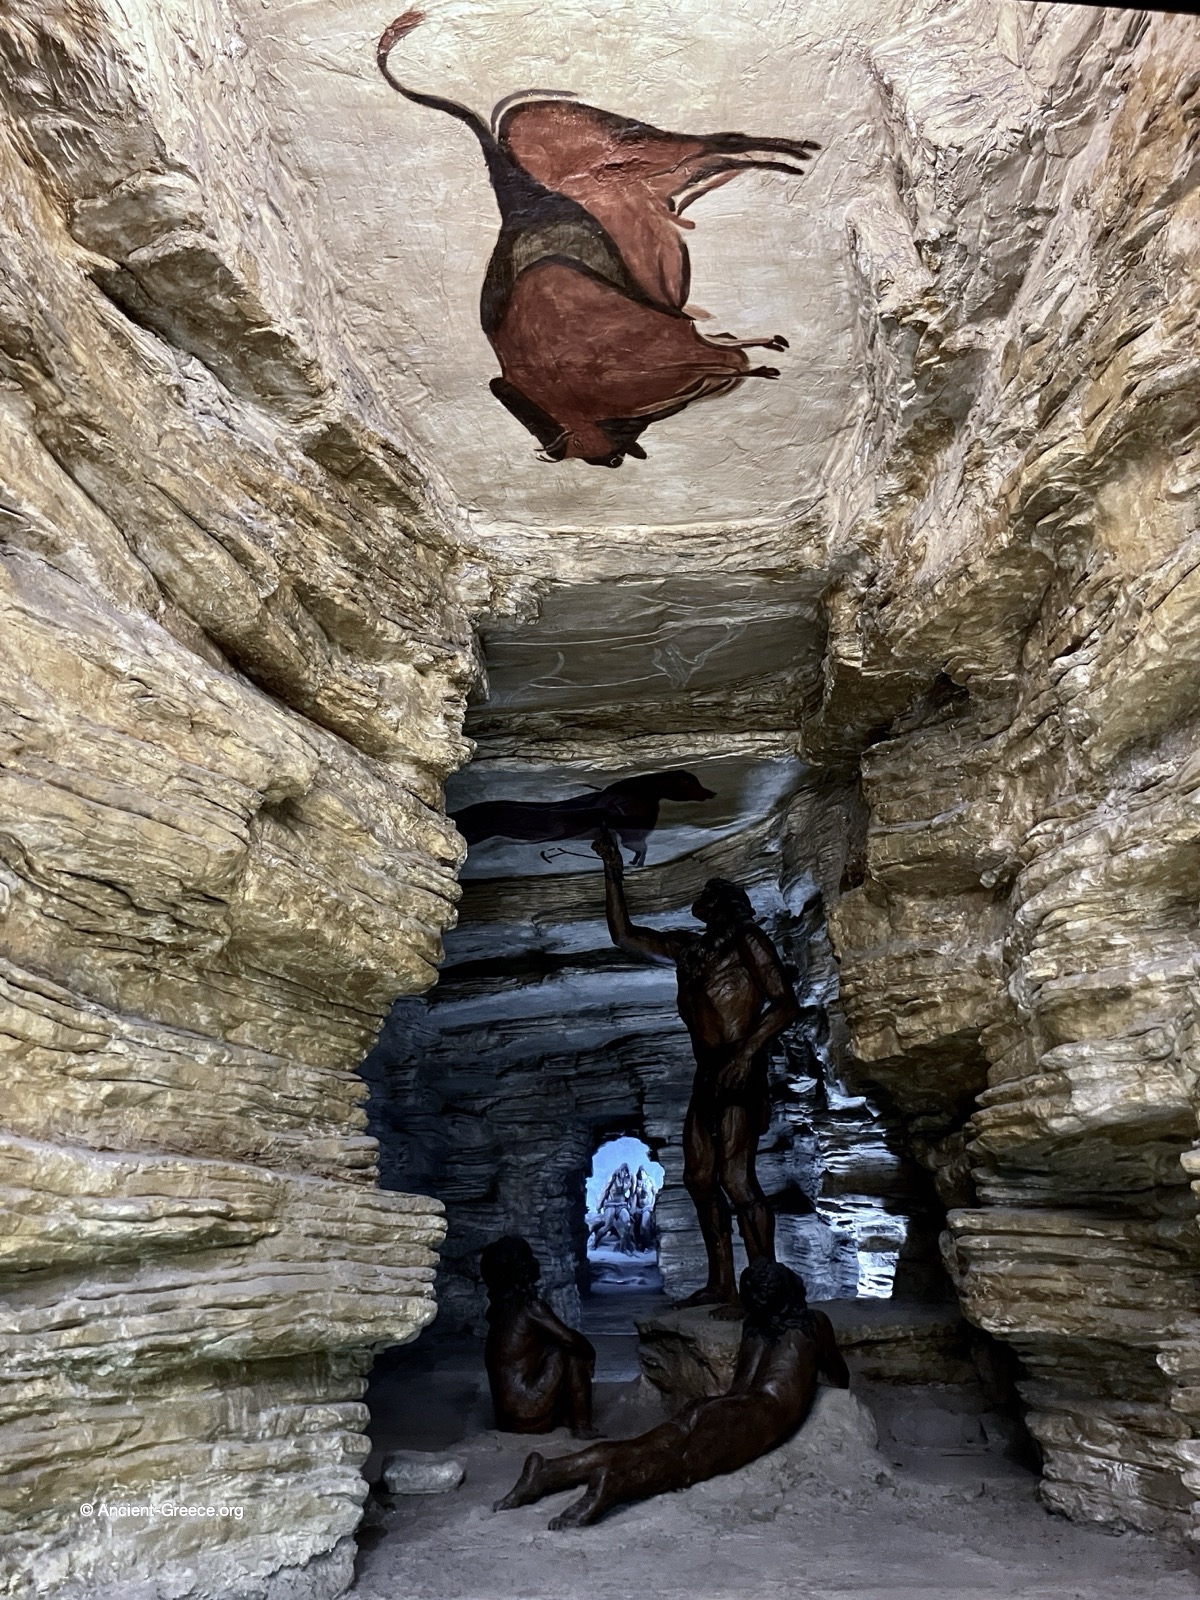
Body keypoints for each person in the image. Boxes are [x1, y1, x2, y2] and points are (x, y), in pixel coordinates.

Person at [592, 827, 799, 1312]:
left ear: (726, 904)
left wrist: (746, 1055)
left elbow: (786, 1004)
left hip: (739, 1073)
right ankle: (721, 1283)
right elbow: (625, 936)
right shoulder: (691, 949)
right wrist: (612, 870)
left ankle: (762, 1289)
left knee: (737, 1181)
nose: (699, 899)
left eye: (709, 895)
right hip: (707, 1074)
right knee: (699, 1179)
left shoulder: (748, 940)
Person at [494, 1260, 848, 1529]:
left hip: (717, 1405)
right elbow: (838, 1375)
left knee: (644, 1443)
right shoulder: (814, 1324)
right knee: (682, 1466)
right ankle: (615, 1485)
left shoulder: (754, 1324)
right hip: (753, 1418)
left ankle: (549, 1471)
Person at [480, 1236, 598, 1437]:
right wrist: (590, 1353)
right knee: (570, 1351)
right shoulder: (531, 1308)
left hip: (507, 1419)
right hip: (527, 1415)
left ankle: (566, 1416)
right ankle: (582, 1426)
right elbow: (569, 1339)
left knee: (554, 1347)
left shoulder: (497, 1311)